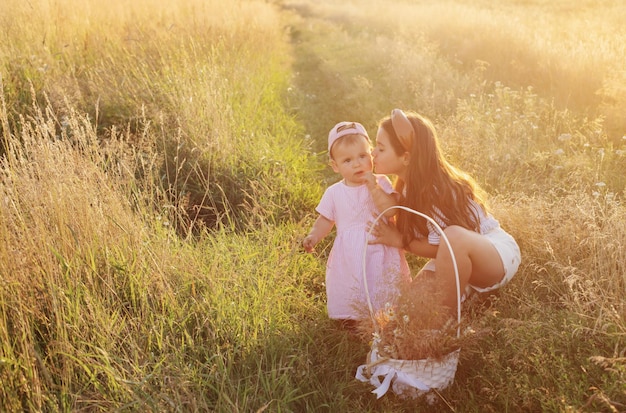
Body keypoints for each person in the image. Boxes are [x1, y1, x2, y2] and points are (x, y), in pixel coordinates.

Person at [366, 109, 521, 314]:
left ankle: (444, 324)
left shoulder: (434, 191)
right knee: (409, 305)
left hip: (494, 253)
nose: (373, 152)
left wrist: (400, 241)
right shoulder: (406, 187)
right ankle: (465, 290)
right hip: (457, 258)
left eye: (380, 148)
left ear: (406, 158)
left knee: (453, 236)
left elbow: (443, 247)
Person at [303, 121, 410, 324]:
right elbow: (325, 220)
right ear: (335, 166)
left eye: (362, 156)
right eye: (347, 160)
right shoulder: (334, 193)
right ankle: (352, 319)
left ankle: (388, 317)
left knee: (383, 283)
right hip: (350, 253)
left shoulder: (381, 182)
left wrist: (374, 188)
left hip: (381, 246)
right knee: (352, 283)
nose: (357, 164)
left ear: (371, 155)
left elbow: (392, 210)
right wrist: (313, 236)